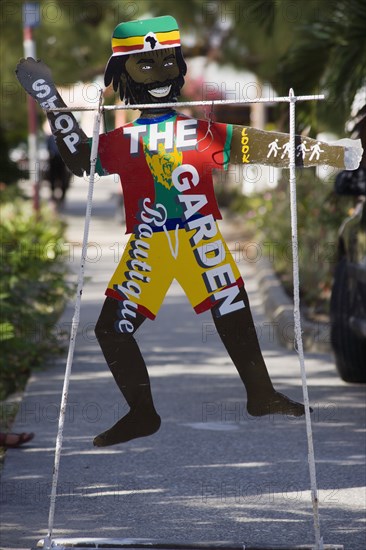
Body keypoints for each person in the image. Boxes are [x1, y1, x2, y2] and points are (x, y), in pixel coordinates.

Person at [16, 16, 362, 448]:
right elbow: (82, 160)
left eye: (167, 64)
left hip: (198, 236)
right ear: (122, 76)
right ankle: (146, 411)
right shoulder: (128, 140)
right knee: (117, 327)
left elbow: (264, 144)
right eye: (146, 66)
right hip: (154, 243)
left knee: (230, 309)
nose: (160, 76)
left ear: (179, 68)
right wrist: (51, 99)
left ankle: (260, 393)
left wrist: (330, 152)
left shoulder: (201, 133)